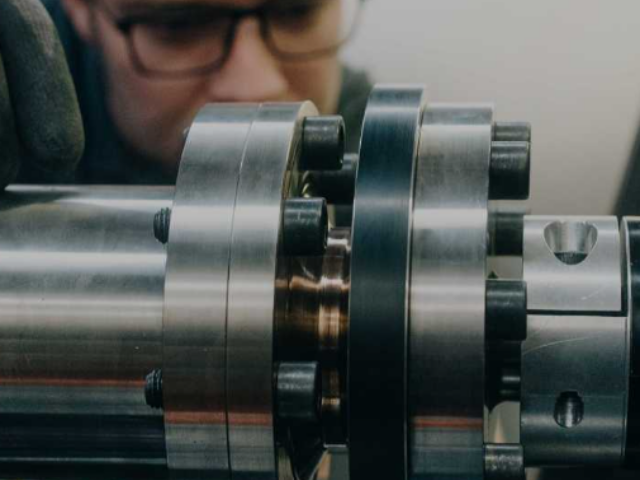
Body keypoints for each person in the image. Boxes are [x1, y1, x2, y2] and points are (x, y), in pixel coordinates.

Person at [0, 0, 372, 188]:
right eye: (179, 25)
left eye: (296, 11)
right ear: (81, 7)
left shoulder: (370, 147)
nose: (257, 86)